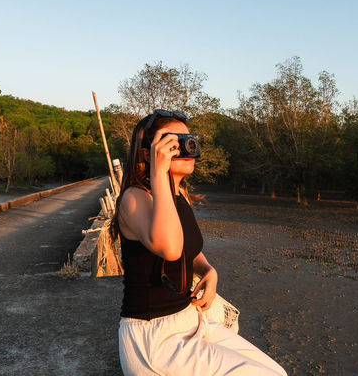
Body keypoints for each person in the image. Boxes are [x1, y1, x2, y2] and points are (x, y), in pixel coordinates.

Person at [110, 109, 287, 376]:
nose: (185, 148)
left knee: (276, 371)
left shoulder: (176, 194)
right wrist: (159, 174)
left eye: (188, 140)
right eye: (172, 143)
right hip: (155, 337)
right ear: (149, 153)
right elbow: (170, 249)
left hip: (190, 320)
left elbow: (188, 248)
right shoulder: (135, 198)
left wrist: (208, 270)